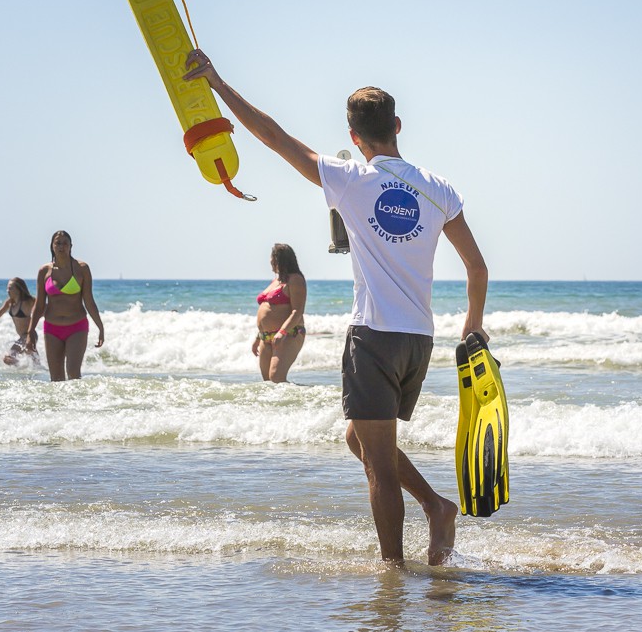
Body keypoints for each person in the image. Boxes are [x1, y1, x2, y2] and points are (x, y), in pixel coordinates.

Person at [184, 49, 489, 567]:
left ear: (353, 136)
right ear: (397, 125)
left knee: (379, 469)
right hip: (418, 339)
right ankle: (435, 505)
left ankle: (393, 573)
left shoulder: (349, 179)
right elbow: (477, 267)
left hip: (373, 337)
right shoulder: (439, 189)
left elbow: (273, 137)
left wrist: (216, 82)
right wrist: (472, 326)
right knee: (358, 438)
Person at [25, 231, 105, 380]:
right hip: (52, 328)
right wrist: (30, 332)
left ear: (71, 246)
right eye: (58, 243)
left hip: (77, 326)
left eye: (65, 243)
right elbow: (39, 304)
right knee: (56, 378)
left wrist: (100, 327)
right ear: (52, 246)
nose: (61, 246)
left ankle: (79, 397)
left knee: (73, 373)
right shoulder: (44, 271)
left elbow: (89, 301)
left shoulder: (82, 268)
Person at [254, 243, 308, 383]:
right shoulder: (276, 281)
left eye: (273, 259)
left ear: (281, 260)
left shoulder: (295, 279)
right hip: (266, 337)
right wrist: (258, 337)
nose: (271, 262)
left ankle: (307, 396)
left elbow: (297, 311)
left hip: (289, 334)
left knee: (276, 378)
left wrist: (282, 332)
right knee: (268, 383)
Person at [0, 277, 40, 366]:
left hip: (29, 336)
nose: (7, 290)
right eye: (7, 288)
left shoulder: (27, 302)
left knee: (9, 357)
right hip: (22, 337)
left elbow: (42, 307)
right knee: (35, 365)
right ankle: (25, 369)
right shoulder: (10, 302)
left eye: (10, 288)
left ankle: (22, 367)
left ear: (18, 289)